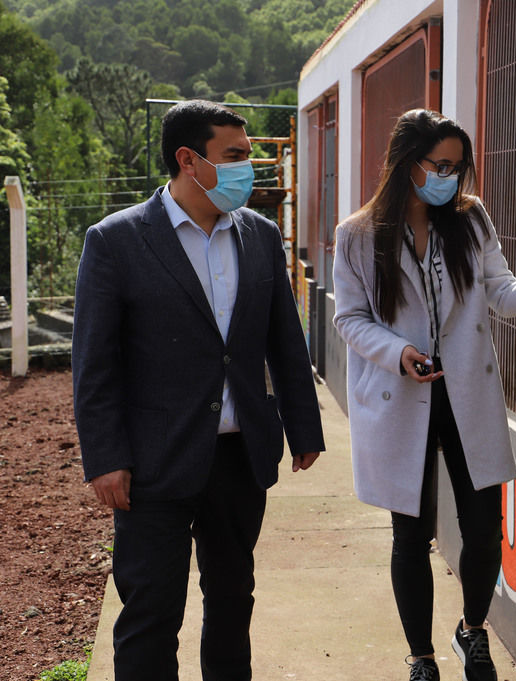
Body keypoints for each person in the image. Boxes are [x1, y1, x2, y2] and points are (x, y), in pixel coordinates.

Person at [332, 109, 516, 681]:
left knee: (483, 529)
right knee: (413, 532)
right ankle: (421, 658)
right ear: (408, 163)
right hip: (402, 396)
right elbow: (350, 318)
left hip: (465, 396)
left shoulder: (470, 221)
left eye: (458, 167)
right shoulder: (357, 234)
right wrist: (397, 352)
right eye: (442, 165)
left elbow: (501, 294)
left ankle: (470, 629)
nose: (451, 177)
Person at [72, 99, 325, 681]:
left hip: (240, 455)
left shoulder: (260, 237)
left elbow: (285, 340)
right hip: (152, 464)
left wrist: (304, 429)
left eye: (250, 155)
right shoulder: (116, 241)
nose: (249, 168)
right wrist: (105, 459)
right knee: (151, 614)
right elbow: (95, 364)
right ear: (189, 160)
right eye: (234, 156)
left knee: (233, 603)